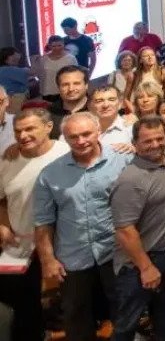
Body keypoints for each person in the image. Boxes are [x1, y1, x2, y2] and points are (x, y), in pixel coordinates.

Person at [33, 112, 131, 341]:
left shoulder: (124, 160)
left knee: (123, 309)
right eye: (73, 137)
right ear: (64, 138)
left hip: (115, 251)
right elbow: (43, 221)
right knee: (76, 316)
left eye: (86, 134)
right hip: (73, 257)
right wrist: (48, 260)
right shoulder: (49, 174)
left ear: (98, 132)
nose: (81, 141)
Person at [110, 116, 165, 341]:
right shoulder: (131, 179)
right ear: (135, 143)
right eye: (147, 141)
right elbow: (124, 230)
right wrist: (145, 267)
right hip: (141, 263)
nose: (155, 144)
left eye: (159, 138)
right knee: (127, 325)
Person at [0, 110, 68, 341]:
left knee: (72, 297)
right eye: (18, 131)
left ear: (48, 127)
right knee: (19, 301)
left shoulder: (66, 152)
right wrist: (3, 225)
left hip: (62, 240)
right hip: (20, 241)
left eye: (30, 129)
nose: (23, 135)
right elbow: (1, 199)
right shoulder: (7, 159)